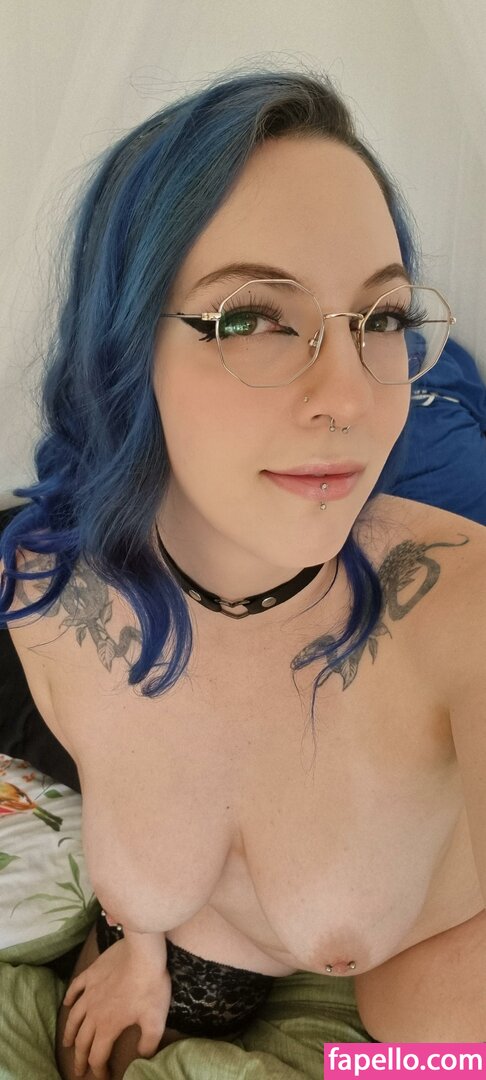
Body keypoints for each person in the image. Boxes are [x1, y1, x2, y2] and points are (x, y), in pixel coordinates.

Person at [1, 67, 485, 1079]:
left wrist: (364, 1069)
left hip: (423, 960)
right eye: (253, 316)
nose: (349, 396)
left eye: (383, 318)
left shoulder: (466, 614)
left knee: (426, 1029)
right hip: (207, 946)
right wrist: (137, 947)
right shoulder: (46, 596)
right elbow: (115, 764)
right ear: (122, 345)